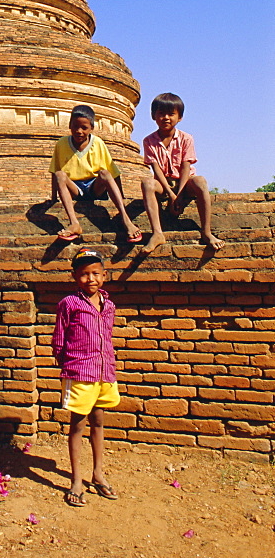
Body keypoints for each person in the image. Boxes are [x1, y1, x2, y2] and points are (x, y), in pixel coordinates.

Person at [53, 247, 120, 507]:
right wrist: (69, 365)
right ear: (74, 277)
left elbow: (108, 337)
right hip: (80, 372)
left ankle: (98, 474)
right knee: (78, 425)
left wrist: (109, 364)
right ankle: (77, 480)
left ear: (104, 276)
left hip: (105, 373)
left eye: (95, 273)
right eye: (83, 274)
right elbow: (59, 340)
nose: (90, 279)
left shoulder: (109, 305)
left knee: (99, 421)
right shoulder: (69, 304)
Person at [140, 92, 225, 253]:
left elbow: (186, 166)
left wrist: (179, 194)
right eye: (161, 113)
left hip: (185, 182)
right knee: (147, 183)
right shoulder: (148, 141)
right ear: (153, 116)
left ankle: (206, 232)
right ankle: (157, 233)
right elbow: (156, 170)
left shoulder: (186, 138)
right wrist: (171, 195)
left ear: (180, 117)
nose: (166, 118)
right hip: (163, 182)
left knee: (200, 181)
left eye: (171, 114)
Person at [50, 103, 142, 243]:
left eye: (84, 128)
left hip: (95, 186)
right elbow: (54, 172)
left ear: (92, 128)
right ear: (69, 125)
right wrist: (53, 198)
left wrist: (121, 197)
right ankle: (74, 223)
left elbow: (114, 173)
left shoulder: (97, 143)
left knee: (105, 173)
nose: (79, 131)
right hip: (75, 188)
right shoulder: (61, 143)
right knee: (60, 175)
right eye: (75, 126)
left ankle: (126, 219)